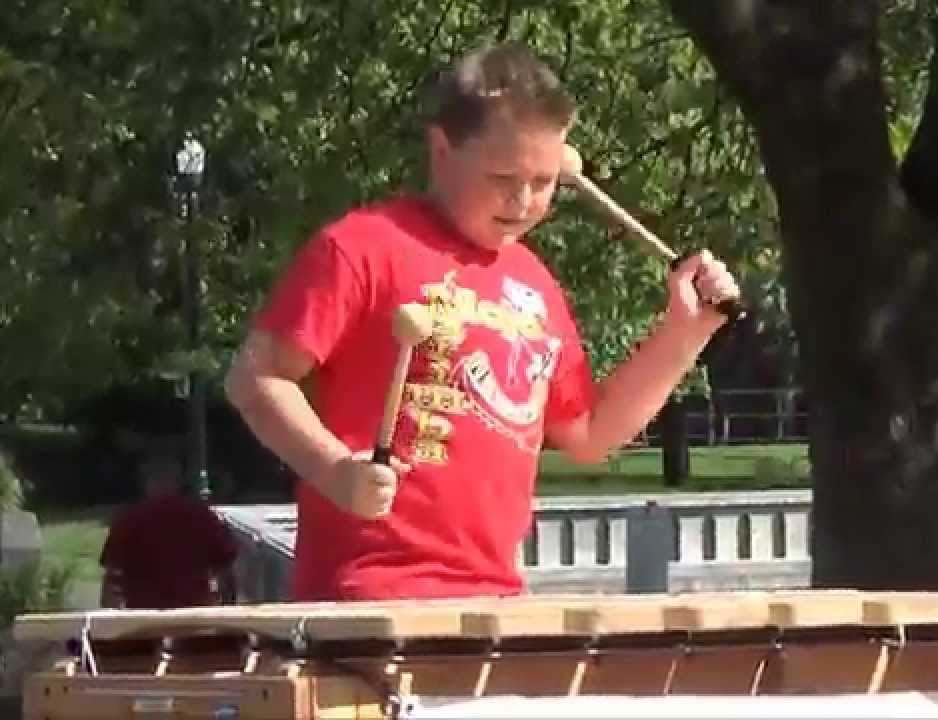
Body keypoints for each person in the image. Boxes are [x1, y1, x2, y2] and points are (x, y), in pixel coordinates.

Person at [223, 42, 741, 602]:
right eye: (502, 177)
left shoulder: (535, 285)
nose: (522, 201)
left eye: (543, 182)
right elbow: (256, 379)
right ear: (442, 150)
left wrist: (685, 334)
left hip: (495, 597)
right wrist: (333, 471)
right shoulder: (361, 248)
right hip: (370, 591)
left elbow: (589, 434)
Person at [99, 448, 239, 609]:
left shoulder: (129, 519)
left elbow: (112, 576)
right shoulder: (203, 516)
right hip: (195, 613)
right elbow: (227, 572)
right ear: (178, 478)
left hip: (144, 616)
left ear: (146, 478)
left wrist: (111, 617)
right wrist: (227, 610)